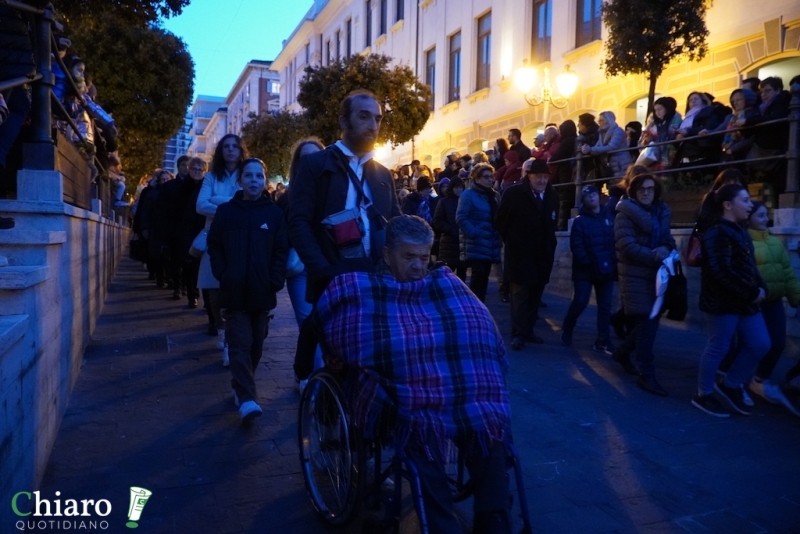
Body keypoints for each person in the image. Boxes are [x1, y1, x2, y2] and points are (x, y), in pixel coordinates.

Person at [295, 215, 513, 534]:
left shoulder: (445, 284)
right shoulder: (361, 289)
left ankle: (493, 518)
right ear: (387, 255)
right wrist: (303, 369)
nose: (417, 266)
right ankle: (441, 523)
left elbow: (477, 325)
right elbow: (320, 323)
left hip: (464, 387)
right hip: (407, 395)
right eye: (408, 257)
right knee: (420, 430)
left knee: (488, 425)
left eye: (424, 257)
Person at [289, 90, 401, 304]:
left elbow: (395, 223)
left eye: (377, 119)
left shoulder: (383, 174)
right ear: (343, 120)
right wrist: (323, 271)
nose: (373, 125)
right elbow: (298, 223)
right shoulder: (314, 165)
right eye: (363, 116)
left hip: (379, 281)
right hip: (332, 284)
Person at [207, 158, 288, 423]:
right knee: (239, 345)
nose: (254, 180)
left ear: (265, 181)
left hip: (262, 293)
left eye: (259, 176)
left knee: (256, 344)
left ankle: (241, 384)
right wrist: (223, 273)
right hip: (233, 293)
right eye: (249, 175)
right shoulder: (226, 212)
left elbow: (280, 250)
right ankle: (247, 398)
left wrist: (275, 279)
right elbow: (215, 245)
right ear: (240, 180)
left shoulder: (274, 214)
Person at [693, 184, 769, 417]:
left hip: (745, 301)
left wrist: (760, 286)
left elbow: (749, 266)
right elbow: (720, 271)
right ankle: (703, 394)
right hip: (723, 302)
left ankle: (731, 384)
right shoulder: (716, 231)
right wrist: (751, 292)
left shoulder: (740, 229)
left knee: (760, 343)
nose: (750, 205)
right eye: (745, 200)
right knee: (718, 346)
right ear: (728, 205)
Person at [612, 173, 676, 397]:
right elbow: (626, 247)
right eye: (641, 189)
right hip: (635, 276)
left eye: (650, 189)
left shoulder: (661, 211)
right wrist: (655, 255)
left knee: (648, 324)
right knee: (647, 327)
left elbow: (668, 239)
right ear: (633, 191)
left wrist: (666, 249)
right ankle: (646, 375)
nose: (646, 193)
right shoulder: (625, 213)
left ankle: (622, 352)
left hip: (658, 277)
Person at [743, 201, 800, 416]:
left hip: (774, 301)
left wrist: (796, 297)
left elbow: (787, 273)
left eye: (766, 215)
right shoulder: (745, 241)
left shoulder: (775, 243)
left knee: (777, 343)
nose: (765, 219)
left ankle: (760, 380)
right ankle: (735, 382)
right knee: (752, 344)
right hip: (753, 302)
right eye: (759, 216)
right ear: (748, 218)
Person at [495, 158, 558, 350]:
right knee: (519, 296)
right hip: (520, 254)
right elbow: (501, 221)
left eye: (544, 177)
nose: (541, 181)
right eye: (538, 177)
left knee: (535, 296)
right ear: (529, 176)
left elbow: (553, 222)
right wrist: (513, 242)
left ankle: (528, 330)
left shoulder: (551, 195)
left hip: (542, 254)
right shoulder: (514, 193)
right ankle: (518, 333)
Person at [197, 134, 248, 365]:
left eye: (234, 146)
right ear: (220, 151)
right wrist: (232, 206)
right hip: (215, 237)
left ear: (241, 150)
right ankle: (219, 328)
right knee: (213, 288)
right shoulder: (211, 175)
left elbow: (249, 200)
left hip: (242, 237)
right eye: (226, 146)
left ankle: (231, 342)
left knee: (236, 288)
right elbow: (201, 205)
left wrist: (218, 201)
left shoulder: (246, 172)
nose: (230, 150)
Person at [561, 185, 617, 354]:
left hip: (606, 268)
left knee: (605, 306)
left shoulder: (609, 216)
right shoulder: (580, 221)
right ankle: (567, 328)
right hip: (585, 270)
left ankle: (603, 340)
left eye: (593, 194)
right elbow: (577, 246)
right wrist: (587, 262)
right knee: (580, 301)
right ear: (584, 200)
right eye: (588, 196)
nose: (591, 198)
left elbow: (613, 240)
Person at [456, 163, 502, 303]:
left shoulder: (494, 196)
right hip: (475, 243)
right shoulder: (468, 195)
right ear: (477, 179)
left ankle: (479, 308)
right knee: (478, 277)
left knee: (483, 279)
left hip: (490, 243)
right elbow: (461, 217)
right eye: (486, 177)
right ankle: (473, 308)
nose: (490, 179)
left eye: (491, 176)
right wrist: (474, 232)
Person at [178, 157, 208, 310]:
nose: (197, 172)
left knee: (204, 265)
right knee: (190, 264)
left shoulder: (207, 187)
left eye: (200, 170)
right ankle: (193, 295)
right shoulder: (182, 187)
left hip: (204, 229)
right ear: (189, 170)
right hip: (187, 231)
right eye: (194, 169)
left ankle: (207, 299)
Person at [432, 176, 466, 281]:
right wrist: (450, 229)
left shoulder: (465, 201)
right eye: (456, 187)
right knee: (446, 275)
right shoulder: (444, 202)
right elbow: (437, 221)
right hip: (448, 244)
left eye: (461, 187)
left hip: (462, 244)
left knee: (462, 275)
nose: (459, 190)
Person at [580, 111, 632, 178]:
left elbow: (611, 147)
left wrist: (590, 149)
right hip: (612, 166)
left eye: (601, 120)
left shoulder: (618, 131)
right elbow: (597, 147)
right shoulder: (602, 134)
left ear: (607, 120)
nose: (598, 122)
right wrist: (587, 149)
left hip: (622, 164)